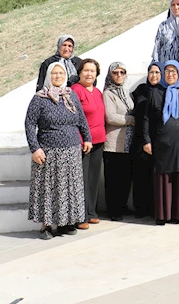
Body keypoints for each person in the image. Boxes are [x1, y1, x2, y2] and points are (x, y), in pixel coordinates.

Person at [25, 62, 92, 239]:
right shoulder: (39, 98)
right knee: (49, 189)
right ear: (49, 75)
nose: (58, 76)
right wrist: (35, 148)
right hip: (48, 151)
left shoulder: (71, 95)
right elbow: (30, 124)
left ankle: (65, 223)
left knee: (69, 188)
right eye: (54, 73)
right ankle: (46, 225)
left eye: (61, 73)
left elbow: (81, 119)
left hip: (71, 150)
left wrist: (87, 138)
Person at [142, 61, 179, 225]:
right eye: (167, 71)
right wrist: (146, 140)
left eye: (173, 71)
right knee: (164, 177)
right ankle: (164, 215)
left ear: (178, 73)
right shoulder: (156, 92)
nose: (170, 74)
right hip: (161, 142)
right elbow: (146, 118)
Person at [71, 59, 105, 230]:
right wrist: (84, 139)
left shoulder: (98, 92)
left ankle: (91, 212)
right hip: (84, 142)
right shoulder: (75, 91)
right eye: (86, 70)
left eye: (92, 71)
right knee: (82, 179)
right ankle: (80, 215)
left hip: (99, 140)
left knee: (93, 179)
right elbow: (74, 118)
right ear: (80, 72)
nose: (89, 74)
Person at [102, 62, 135, 221]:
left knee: (125, 177)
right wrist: (131, 120)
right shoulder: (108, 93)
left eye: (122, 72)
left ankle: (122, 206)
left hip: (127, 142)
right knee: (113, 179)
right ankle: (113, 210)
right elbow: (110, 117)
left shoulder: (126, 92)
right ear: (110, 75)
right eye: (116, 72)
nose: (119, 75)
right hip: (113, 143)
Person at [130, 62, 160, 218]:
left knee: (156, 175)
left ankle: (155, 208)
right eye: (151, 72)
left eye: (157, 72)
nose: (154, 75)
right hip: (140, 137)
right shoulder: (140, 90)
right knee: (141, 175)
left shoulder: (164, 90)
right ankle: (141, 208)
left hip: (158, 138)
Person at [152, 0, 179, 65]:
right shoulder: (163, 26)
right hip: (166, 68)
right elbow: (157, 47)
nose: (176, 7)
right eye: (173, 5)